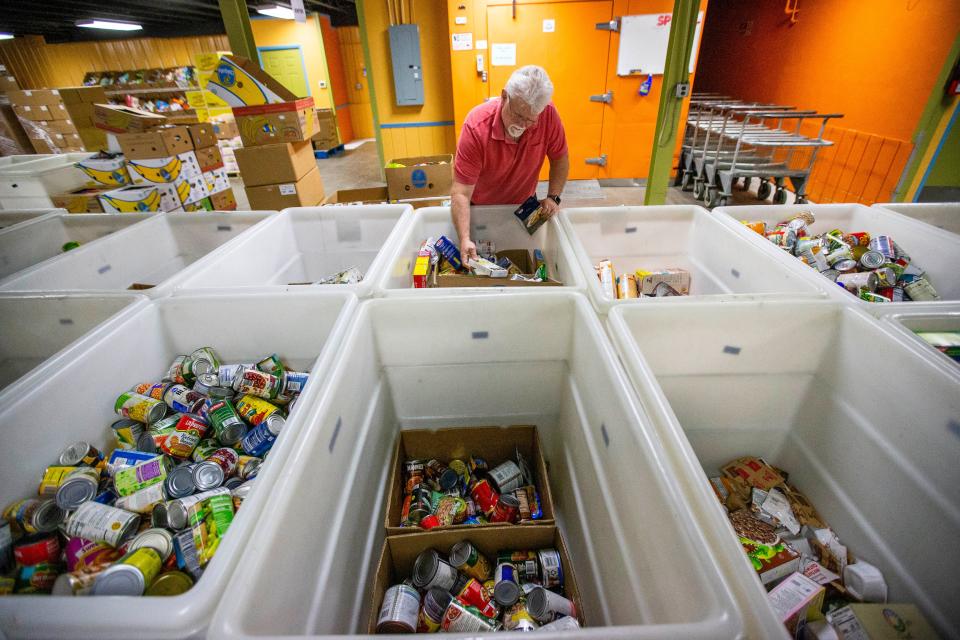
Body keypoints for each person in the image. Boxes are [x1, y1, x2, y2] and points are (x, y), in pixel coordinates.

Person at [451, 65, 569, 264]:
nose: (522, 126)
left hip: (524, 207)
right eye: (518, 115)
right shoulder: (476, 126)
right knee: (481, 259)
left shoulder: (547, 114)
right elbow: (461, 192)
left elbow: (560, 158)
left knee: (523, 259)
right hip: (481, 209)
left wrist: (553, 197)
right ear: (504, 96)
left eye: (530, 120)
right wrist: (464, 238)